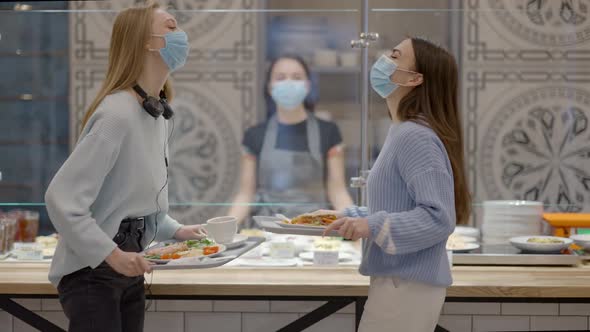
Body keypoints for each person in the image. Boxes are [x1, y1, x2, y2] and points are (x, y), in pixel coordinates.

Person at [44, 3, 206, 331]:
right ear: (147, 42)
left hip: (130, 264)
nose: (182, 36)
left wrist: (175, 230)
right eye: (172, 27)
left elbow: (132, 200)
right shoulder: (116, 115)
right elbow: (61, 201)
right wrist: (113, 255)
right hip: (93, 272)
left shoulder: (154, 113)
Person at [317, 37, 471, 332]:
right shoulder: (402, 130)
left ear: (414, 79)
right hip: (401, 282)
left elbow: (439, 218)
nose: (383, 61)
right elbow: (397, 204)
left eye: (395, 56)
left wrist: (371, 226)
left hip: (408, 286)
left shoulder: (415, 136)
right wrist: (351, 219)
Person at [228, 55, 353, 227]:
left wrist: (353, 224)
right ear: (270, 87)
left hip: (316, 229)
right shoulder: (254, 135)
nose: (288, 83)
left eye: (296, 77)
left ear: (307, 85)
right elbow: (245, 194)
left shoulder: (329, 132)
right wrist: (226, 227)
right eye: (280, 78)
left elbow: (337, 191)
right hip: (268, 230)